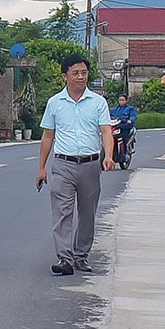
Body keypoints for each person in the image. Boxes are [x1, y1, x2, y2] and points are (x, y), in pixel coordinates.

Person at [35, 53, 115, 275]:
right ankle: (65, 258)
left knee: (87, 213)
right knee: (62, 212)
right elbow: (48, 136)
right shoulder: (54, 103)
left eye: (84, 73)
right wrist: (41, 168)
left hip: (90, 164)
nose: (81, 77)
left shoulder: (98, 102)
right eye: (75, 73)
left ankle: (81, 256)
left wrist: (108, 156)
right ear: (65, 76)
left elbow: (106, 131)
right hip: (63, 164)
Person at [110, 90, 139, 168]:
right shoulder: (115, 109)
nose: (121, 101)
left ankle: (125, 154)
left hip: (125, 128)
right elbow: (108, 115)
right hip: (116, 127)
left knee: (124, 139)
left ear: (126, 100)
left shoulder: (130, 109)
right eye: (120, 100)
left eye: (123, 100)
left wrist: (130, 120)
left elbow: (134, 116)